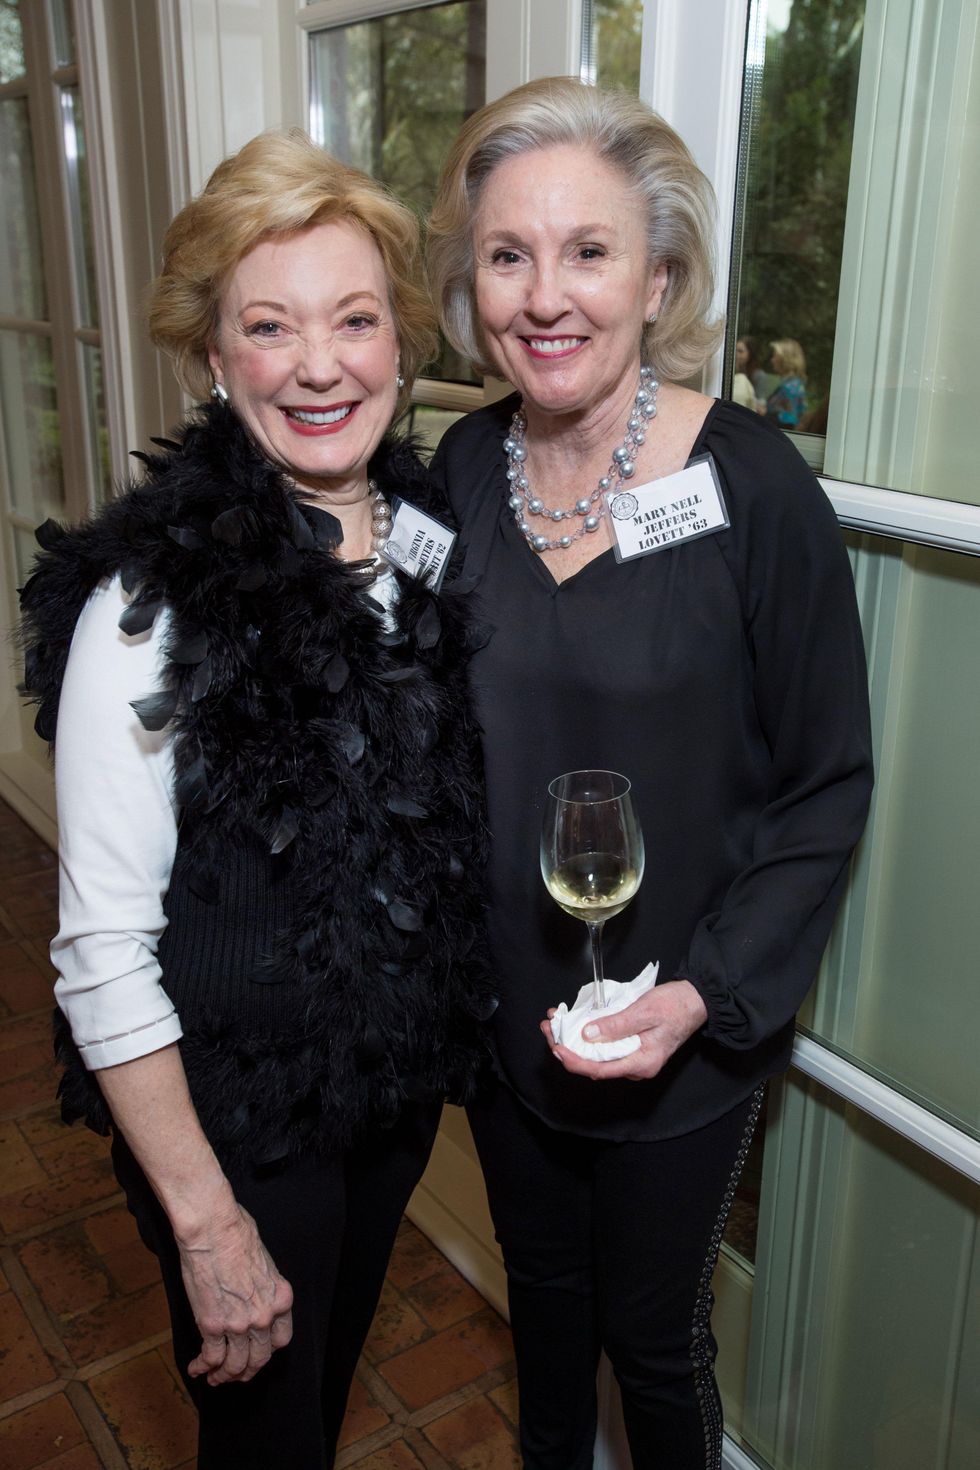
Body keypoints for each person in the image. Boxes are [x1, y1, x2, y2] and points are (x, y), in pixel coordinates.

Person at [19, 130, 494, 1470]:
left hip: (385, 1095)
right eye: (269, 326)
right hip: (233, 1124)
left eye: (354, 319)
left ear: (401, 343)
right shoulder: (147, 610)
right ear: (214, 360)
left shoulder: (421, 541)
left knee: (317, 1401)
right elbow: (100, 951)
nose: (320, 364)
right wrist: (207, 1221)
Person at [427, 78, 873, 1470]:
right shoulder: (456, 468)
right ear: (474, 283)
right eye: (509, 255)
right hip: (512, 1020)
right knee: (544, 1314)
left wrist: (707, 994)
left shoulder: (753, 490)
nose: (545, 296)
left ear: (660, 275)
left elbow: (827, 781)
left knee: (655, 1338)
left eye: (589, 250)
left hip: (681, 1026)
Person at [765, 337, 808, 427]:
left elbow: (789, 422)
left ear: (784, 359)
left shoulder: (791, 388)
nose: (772, 360)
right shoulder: (791, 383)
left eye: (775, 356)